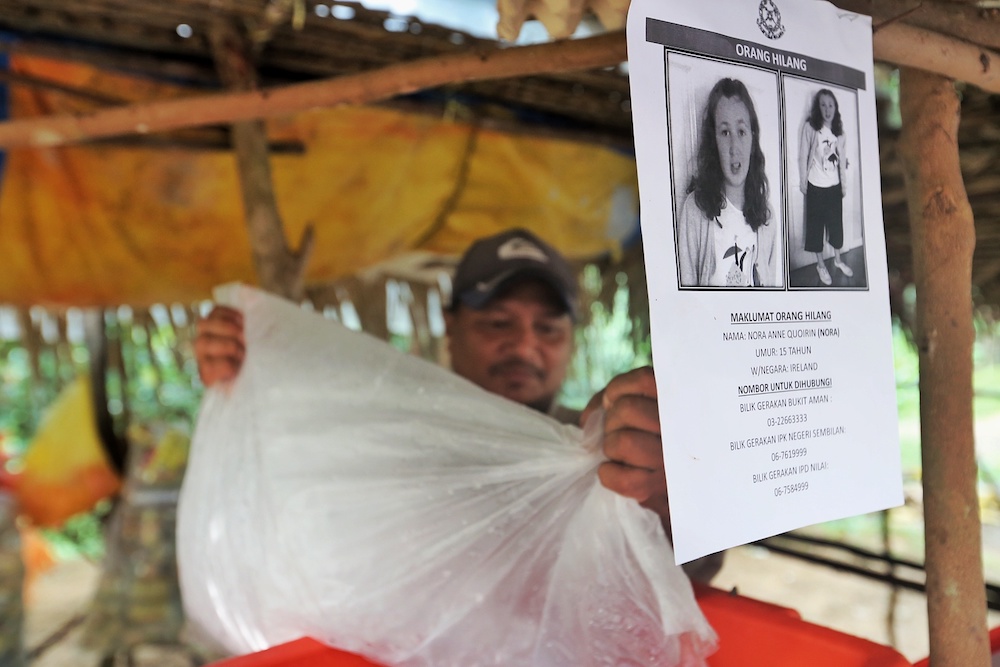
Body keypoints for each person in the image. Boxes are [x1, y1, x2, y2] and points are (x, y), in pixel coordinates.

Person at [194, 227, 723, 582]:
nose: (524, 346)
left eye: (547, 328)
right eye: (497, 323)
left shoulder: (606, 452)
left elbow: (701, 569)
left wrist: (665, 500)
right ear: (451, 327)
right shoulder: (392, 436)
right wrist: (249, 384)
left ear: (572, 340)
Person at [677, 77, 778, 288]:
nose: (734, 147)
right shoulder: (694, 210)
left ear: (752, 139)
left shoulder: (768, 218)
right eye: (725, 132)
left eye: (741, 132)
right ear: (714, 141)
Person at [799, 88, 850, 286]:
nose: (827, 109)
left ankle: (838, 260)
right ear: (817, 107)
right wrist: (804, 182)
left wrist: (843, 186)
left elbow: (843, 160)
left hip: (834, 188)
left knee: (836, 227)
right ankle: (821, 265)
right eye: (823, 105)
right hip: (815, 187)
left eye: (830, 105)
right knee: (815, 228)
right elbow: (804, 155)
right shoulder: (810, 128)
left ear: (835, 108)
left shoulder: (840, 133)